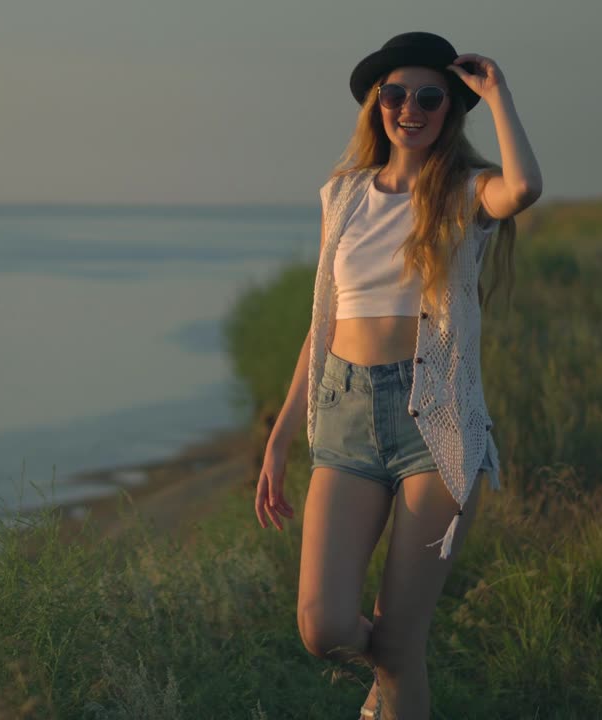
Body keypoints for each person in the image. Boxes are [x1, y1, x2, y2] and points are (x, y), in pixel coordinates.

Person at [253, 31, 543, 719]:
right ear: (376, 105)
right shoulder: (344, 196)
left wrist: (497, 90)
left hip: (434, 426)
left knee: (401, 647)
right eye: (395, 95)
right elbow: (319, 327)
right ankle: (385, 677)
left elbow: (525, 187)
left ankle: (392, 675)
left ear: (452, 107)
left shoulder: (466, 193)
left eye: (428, 97)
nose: (409, 108)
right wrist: (279, 436)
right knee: (323, 627)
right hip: (345, 415)